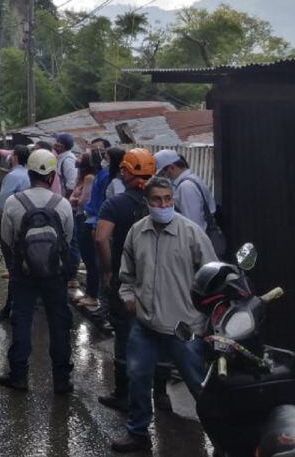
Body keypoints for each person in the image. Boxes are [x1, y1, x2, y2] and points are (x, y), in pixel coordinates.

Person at [110, 177, 217, 453]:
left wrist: (203, 319)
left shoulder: (192, 234)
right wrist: (129, 298)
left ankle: (222, 437)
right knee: (137, 376)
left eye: (168, 199)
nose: (164, 204)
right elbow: (127, 274)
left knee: (199, 383)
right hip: (145, 322)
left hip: (183, 326)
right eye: (157, 200)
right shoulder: (137, 232)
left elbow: (211, 278)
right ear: (147, 203)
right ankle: (137, 432)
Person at [0, 149, 77, 394]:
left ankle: (18, 375)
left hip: (23, 272)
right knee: (59, 324)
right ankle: (61, 380)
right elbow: (68, 238)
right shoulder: (62, 204)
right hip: (55, 274)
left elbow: (7, 239)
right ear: (52, 176)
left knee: (21, 320)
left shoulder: (13, 202)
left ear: (29, 173)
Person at [95, 149, 169, 414]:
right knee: (161, 333)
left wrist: (107, 271)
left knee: (125, 335)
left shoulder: (115, 204)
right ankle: (161, 395)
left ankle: (124, 394)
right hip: (160, 281)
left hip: (125, 280)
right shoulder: (163, 203)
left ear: (126, 172)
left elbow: (101, 238)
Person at [0, 145, 31, 321]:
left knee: (13, 267)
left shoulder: (13, 176)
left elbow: (2, 205)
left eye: (12, 155)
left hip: (13, 226)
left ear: (14, 158)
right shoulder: (30, 174)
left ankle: (11, 307)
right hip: (30, 226)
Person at [154, 150, 217, 234]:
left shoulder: (186, 187)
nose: (163, 177)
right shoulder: (190, 180)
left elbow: (193, 226)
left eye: (162, 173)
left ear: (172, 168)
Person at [70, 150, 101, 310]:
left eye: (81, 157)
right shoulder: (81, 177)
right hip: (80, 216)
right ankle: (89, 294)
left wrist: (73, 199)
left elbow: (83, 201)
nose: (77, 159)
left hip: (84, 218)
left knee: (89, 259)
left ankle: (92, 295)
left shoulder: (89, 178)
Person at [54, 133, 78, 198]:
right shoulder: (60, 157)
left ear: (62, 146)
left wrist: (66, 200)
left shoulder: (68, 161)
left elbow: (71, 185)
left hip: (64, 198)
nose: (54, 145)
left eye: (56, 144)